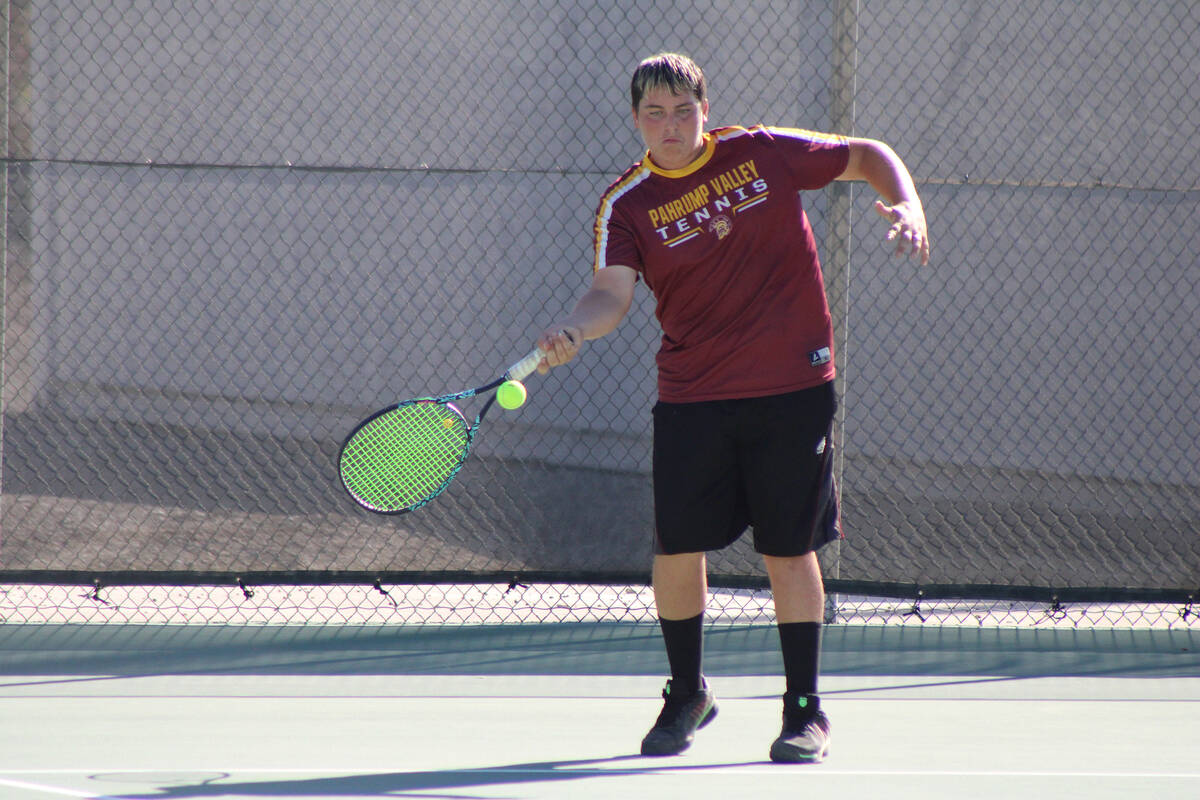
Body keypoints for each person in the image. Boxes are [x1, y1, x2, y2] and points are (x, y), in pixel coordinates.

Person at [534, 52, 929, 763]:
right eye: (655, 112)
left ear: (704, 110)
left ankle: (803, 708)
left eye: (684, 110)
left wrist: (908, 202)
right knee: (676, 549)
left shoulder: (762, 153)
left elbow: (869, 155)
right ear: (635, 120)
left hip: (794, 386)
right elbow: (610, 294)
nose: (671, 125)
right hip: (694, 396)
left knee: (788, 549)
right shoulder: (625, 204)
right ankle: (687, 692)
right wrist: (576, 330)